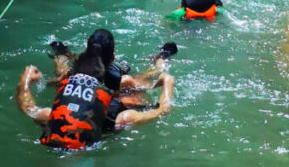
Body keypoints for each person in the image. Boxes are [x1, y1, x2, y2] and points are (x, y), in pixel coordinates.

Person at [17, 30, 176, 149]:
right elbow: (163, 109)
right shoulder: (122, 119)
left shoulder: (55, 116)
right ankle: (161, 58)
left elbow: (29, 108)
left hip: (91, 79)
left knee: (63, 74)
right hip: (114, 89)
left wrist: (26, 82)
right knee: (141, 83)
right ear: (112, 58)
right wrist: (167, 81)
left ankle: (60, 53)